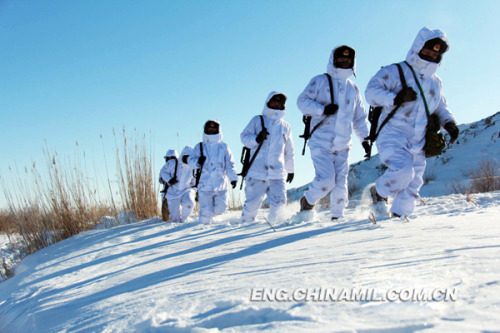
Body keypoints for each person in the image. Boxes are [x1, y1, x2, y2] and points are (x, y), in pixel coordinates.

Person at [365, 27, 459, 218]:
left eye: (436, 53)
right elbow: (371, 92)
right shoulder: (394, 71)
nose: (432, 55)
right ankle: (379, 192)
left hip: (419, 138)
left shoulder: (435, 82)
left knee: (415, 181)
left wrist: (449, 123)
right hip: (393, 133)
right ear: (418, 47)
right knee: (402, 171)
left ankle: (401, 218)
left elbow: (440, 106)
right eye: (428, 50)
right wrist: (395, 97)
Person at [297, 45, 370, 220]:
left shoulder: (353, 88)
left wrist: (365, 139)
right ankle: (307, 201)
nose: (344, 62)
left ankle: (337, 216)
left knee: (340, 183)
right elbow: (302, 102)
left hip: (344, 143)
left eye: (348, 60)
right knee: (326, 180)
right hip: (321, 141)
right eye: (341, 59)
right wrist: (322, 109)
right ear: (333, 60)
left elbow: (359, 117)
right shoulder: (320, 80)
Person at [240, 91, 295, 223]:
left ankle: (273, 229)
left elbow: (289, 151)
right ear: (268, 103)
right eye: (274, 102)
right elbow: (244, 137)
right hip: (256, 172)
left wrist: (291, 170)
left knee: (280, 203)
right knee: (252, 205)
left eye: (280, 103)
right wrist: (257, 139)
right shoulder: (257, 120)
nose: (277, 105)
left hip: (277, 173)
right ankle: (245, 228)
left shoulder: (285, 126)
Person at [188, 120, 239, 225]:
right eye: (209, 129)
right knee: (205, 210)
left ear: (218, 130)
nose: (211, 131)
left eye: (213, 129)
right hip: (204, 185)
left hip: (221, 185)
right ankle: (203, 229)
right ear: (205, 130)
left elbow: (230, 164)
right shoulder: (199, 147)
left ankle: (211, 218)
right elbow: (190, 162)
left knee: (222, 208)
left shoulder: (224, 147)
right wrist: (197, 162)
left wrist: (233, 178)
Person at [159, 147, 196, 223]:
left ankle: (185, 220)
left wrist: (196, 189)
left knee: (189, 203)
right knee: (174, 218)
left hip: (186, 190)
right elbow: (162, 173)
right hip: (172, 192)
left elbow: (194, 181)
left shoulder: (192, 167)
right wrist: (169, 179)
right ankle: (175, 226)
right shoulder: (172, 164)